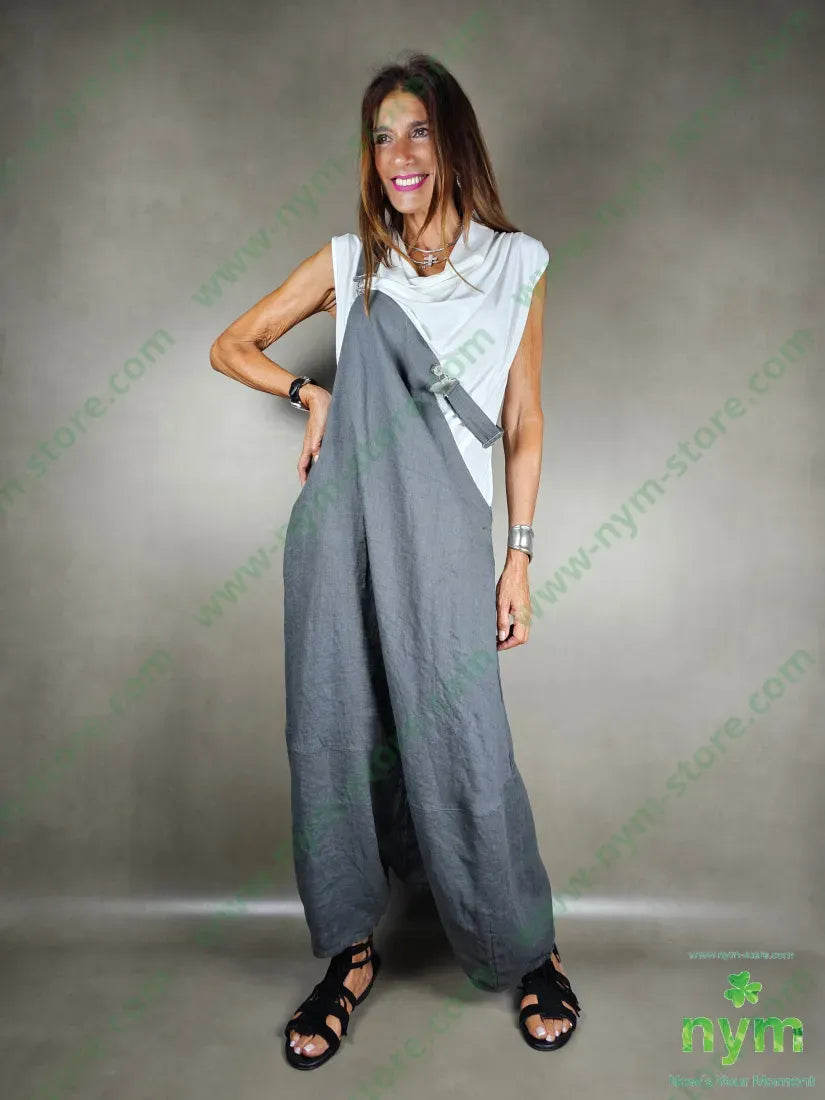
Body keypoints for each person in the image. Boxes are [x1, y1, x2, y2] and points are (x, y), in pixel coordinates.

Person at [210, 52, 581, 1071]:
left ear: (453, 141)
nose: (398, 154)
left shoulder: (518, 263)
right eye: (381, 137)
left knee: (465, 741)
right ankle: (350, 951)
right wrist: (310, 394)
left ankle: (527, 947)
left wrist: (518, 557)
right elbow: (233, 344)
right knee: (334, 736)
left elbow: (524, 419)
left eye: (417, 131)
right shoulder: (351, 264)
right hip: (338, 535)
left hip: (444, 536)